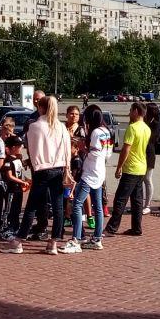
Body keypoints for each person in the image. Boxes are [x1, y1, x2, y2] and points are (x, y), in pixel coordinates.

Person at [15, 95, 73, 254]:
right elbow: (67, 149)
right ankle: (53, 242)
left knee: (32, 206)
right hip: (59, 168)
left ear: (41, 108)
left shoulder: (34, 126)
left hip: (41, 169)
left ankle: (19, 240)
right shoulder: (61, 127)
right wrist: (67, 167)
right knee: (58, 206)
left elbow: (32, 150)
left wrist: (33, 163)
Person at [68, 106, 111, 252]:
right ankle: (97, 238)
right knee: (98, 206)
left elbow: (94, 153)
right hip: (100, 171)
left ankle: (76, 239)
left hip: (90, 172)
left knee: (77, 204)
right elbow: (107, 154)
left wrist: (82, 147)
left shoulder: (96, 132)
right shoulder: (106, 131)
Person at [105, 102, 150, 237]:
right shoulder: (146, 128)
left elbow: (126, 149)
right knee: (137, 200)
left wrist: (119, 167)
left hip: (131, 168)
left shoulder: (132, 128)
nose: (129, 113)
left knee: (120, 199)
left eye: (131, 110)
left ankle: (112, 227)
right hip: (141, 166)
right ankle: (136, 228)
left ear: (136, 111)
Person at [0, 135, 29, 245]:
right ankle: (5, 228)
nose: (21, 148)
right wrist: (22, 182)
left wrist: (26, 180)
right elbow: (10, 176)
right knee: (9, 209)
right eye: (19, 146)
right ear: (13, 147)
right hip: (11, 189)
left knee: (17, 209)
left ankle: (15, 227)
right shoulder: (8, 160)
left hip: (18, 189)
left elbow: (19, 173)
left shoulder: (18, 158)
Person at [142, 102, 160, 215]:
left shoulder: (155, 124)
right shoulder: (143, 122)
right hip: (140, 153)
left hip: (149, 154)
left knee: (147, 179)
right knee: (139, 180)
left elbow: (152, 138)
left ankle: (147, 205)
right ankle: (139, 203)